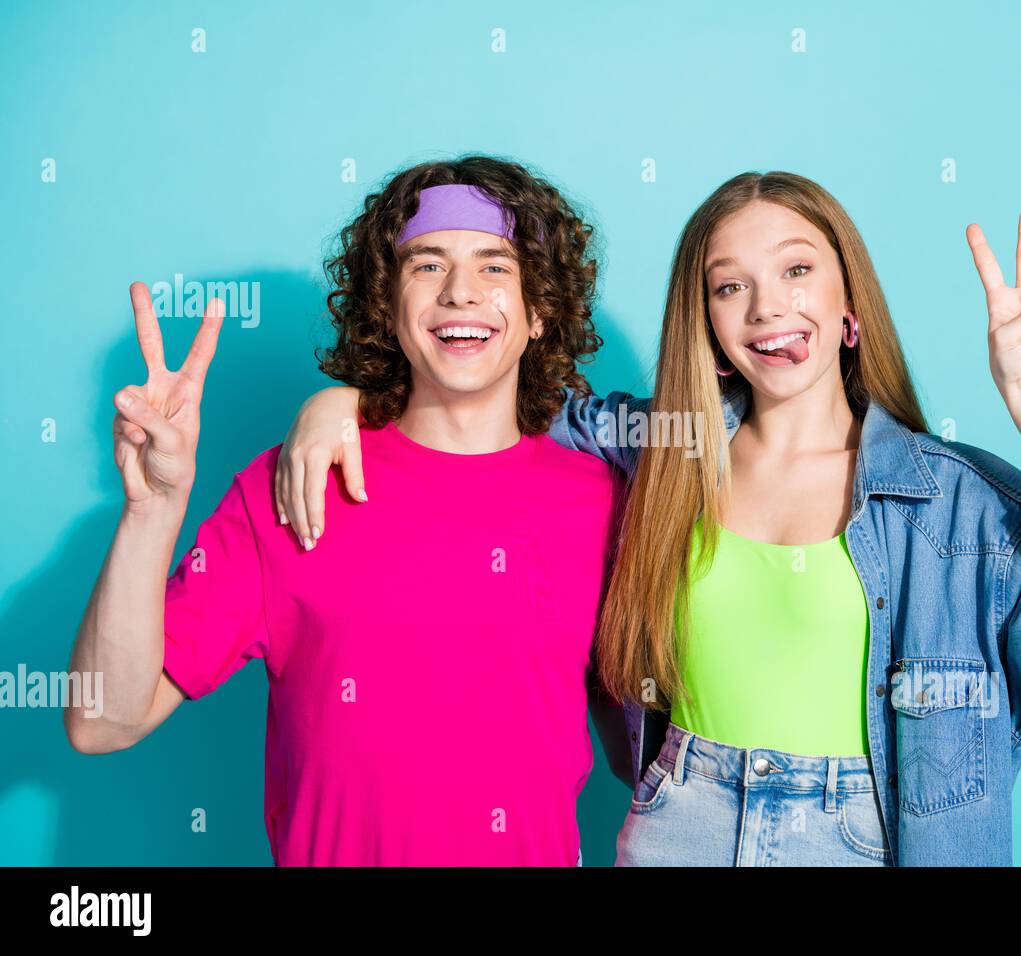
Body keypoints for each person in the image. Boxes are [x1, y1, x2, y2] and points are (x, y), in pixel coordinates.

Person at [275, 171, 1021, 866]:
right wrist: (352, 397)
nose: (766, 306)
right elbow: (483, 390)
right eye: (729, 286)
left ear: (847, 308)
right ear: (708, 321)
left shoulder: (947, 502)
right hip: (684, 822)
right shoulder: (652, 454)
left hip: (868, 836)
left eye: (797, 270)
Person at [65, 155, 629, 866]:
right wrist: (154, 508)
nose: (461, 292)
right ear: (386, 306)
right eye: (427, 265)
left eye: (495, 267)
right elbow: (101, 721)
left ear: (540, 310)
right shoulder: (295, 483)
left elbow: (641, 747)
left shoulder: (605, 503)